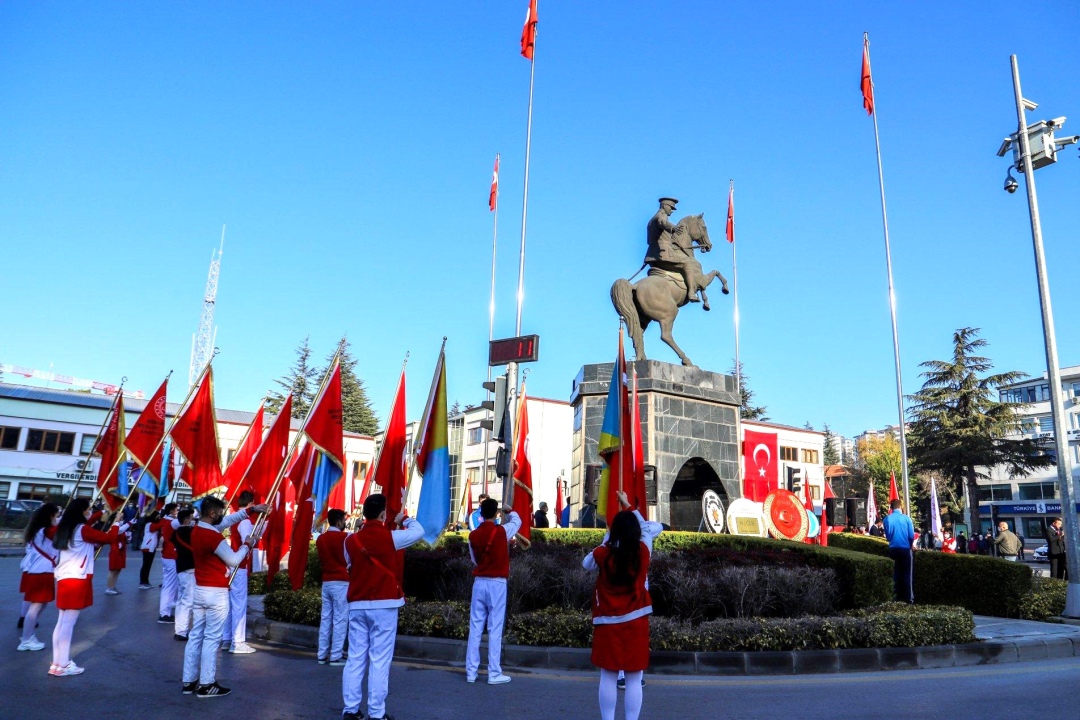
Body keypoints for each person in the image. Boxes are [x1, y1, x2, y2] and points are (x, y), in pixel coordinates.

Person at [341, 493, 425, 720]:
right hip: (385, 604)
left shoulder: (350, 540)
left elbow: (350, 565)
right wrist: (404, 519)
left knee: (355, 658)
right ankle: (376, 713)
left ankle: (350, 710)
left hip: (358, 604)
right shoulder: (392, 537)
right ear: (382, 514)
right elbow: (419, 531)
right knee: (379, 660)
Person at [582, 491, 663, 720]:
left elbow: (585, 563)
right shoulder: (643, 552)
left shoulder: (602, 553)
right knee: (634, 678)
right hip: (636, 622)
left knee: (608, 675)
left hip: (607, 623)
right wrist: (630, 507)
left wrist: (607, 538)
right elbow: (647, 530)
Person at [181, 495, 265, 698]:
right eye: (219, 513)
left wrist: (251, 510)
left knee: (196, 636)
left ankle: (189, 680)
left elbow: (226, 521)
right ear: (211, 513)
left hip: (201, 589)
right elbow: (234, 560)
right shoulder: (213, 536)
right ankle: (207, 684)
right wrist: (247, 544)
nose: (222, 517)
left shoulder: (198, 529)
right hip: (216, 592)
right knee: (211, 639)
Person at [51, 499, 130, 676]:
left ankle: (57, 662)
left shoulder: (66, 527)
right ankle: (63, 664)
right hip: (76, 579)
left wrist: (102, 514)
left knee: (62, 622)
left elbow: (91, 528)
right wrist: (116, 522)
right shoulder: (82, 529)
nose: (89, 512)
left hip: (65, 577)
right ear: (81, 512)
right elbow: (109, 538)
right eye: (88, 510)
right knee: (68, 624)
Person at [465, 498, 522, 685]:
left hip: (479, 582)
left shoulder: (473, 535)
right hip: (497, 583)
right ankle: (494, 672)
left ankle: (471, 672)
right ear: (496, 514)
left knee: (475, 628)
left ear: (480, 513)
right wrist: (509, 510)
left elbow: (475, 560)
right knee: (495, 628)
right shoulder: (502, 531)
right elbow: (517, 521)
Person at [643, 197, 702, 305]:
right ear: (664, 206)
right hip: (662, 254)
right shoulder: (661, 216)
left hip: (652, 254)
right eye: (671, 208)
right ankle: (691, 293)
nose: (671, 211)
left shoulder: (651, 220)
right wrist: (673, 228)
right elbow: (663, 222)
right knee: (688, 263)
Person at [18, 502, 60, 652]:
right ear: (50, 516)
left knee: (41, 605)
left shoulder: (39, 530)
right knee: (35, 606)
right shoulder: (46, 531)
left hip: (42, 571)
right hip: (42, 572)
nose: (57, 518)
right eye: (56, 515)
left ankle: (28, 635)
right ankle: (26, 640)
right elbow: (63, 532)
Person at [223, 491, 257, 654]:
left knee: (231, 604)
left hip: (232, 564)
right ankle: (238, 642)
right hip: (239, 565)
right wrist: (253, 540)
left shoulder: (236, 517)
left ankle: (227, 638)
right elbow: (247, 542)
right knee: (239, 604)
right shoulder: (244, 520)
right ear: (251, 504)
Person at [316, 508, 350, 666]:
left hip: (326, 581)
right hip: (341, 581)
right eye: (344, 520)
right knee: (340, 619)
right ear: (338, 521)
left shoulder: (320, 539)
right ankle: (336, 655)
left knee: (326, 618)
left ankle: (322, 653)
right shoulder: (345, 538)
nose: (345, 522)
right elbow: (349, 560)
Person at [881, 499, 914, 604]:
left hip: (893, 549)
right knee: (907, 575)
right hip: (905, 549)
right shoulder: (906, 519)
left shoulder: (886, 519)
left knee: (894, 574)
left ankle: (894, 597)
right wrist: (909, 545)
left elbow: (888, 536)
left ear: (891, 508)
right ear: (900, 507)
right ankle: (907, 598)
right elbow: (911, 536)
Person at [151, 503, 180, 622]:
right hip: (170, 555)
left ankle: (167, 608)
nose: (177, 511)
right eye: (176, 510)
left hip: (169, 555)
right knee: (169, 585)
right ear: (172, 511)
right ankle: (164, 614)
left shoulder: (166, 520)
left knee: (170, 585)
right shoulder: (171, 522)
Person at [171, 508, 196, 641]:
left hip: (180, 567)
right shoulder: (190, 531)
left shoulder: (175, 533)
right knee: (188, 600)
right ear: (186, 520)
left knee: (181, 600)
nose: (193, 520)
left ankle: (179, 628)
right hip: (189, 568)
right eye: (191, 518)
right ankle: (182, 631)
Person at [105, 517, 131, 595]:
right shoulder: (113, 527)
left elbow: (123, 537)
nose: (121, 520)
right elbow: (117, 533)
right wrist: (129, 524)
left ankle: (113, 586)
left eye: (122, 518)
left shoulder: (120, 527)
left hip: (121, 551)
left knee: (118, 570)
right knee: (113, 570)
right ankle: (109, 588)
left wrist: (128, 537)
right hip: (115, 551)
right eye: (120, 518)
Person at [138, 510, 161, 590]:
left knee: (148, 566)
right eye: (158, 516)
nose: (159, 517)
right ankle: (142, 582)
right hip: (147, 547)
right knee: (145, 565)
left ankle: (146, 581)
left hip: (151, 547)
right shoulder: (149, 524)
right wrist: (165, 519)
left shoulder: (152, 524)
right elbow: (158, 526)